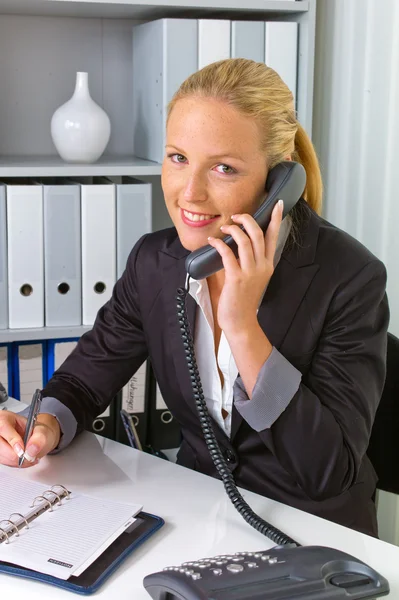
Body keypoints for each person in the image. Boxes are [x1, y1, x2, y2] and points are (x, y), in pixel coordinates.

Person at [0, 59, 389, 537]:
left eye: (224, 168)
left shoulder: (349, 277)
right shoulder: (155, 263)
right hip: (197, 518)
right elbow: (82, 382)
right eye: (178, 158)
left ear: (279, 180)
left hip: (315, 537)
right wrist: (44, 426)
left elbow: (326, 473)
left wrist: (244, 327)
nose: (189, 193)